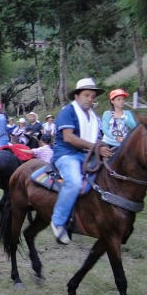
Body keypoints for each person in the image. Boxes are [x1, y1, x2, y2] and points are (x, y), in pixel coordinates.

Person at [50, 78, 113, 244]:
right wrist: (95, 147)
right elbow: (68, 137)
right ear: (77, 96)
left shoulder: (94, 117)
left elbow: (98, 138)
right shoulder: (67, 112)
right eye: (87, 95)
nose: (90, 99)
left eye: (93, 96)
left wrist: (103, 148)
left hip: (86, 155)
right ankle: (58, 222)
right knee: (75, 183)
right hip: (66, 154)